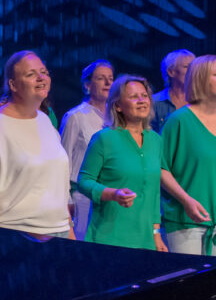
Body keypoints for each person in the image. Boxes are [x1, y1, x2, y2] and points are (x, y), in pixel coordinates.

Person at [77, 74, 195, 251]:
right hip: (109, 238)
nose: (141, 101)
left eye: (144, 95)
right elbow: (83, 182)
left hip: (145, 240)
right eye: (133, 97)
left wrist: (156, 234)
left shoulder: (155, 140)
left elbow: (154, 192)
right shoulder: (104, 139)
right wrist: (112, 193)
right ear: (117, 106)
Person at [0, 51, 73, 239]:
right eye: (31, 74)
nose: (41, 78)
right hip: (16, 237)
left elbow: (58, 188)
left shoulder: (45, 121)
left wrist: (70, 233)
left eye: (44, 72)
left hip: (59, 235)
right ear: (13, 85)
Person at [161, 55, 216, 255]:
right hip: (186, 222)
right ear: (200, 79)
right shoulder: (179, 121)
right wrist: (186, 200)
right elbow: (160, 168)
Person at [59, 60, 114, 239]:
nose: (108, 83)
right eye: (101, 78)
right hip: (82, 198)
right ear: (87, 85)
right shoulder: (76, 116)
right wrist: (66, 200)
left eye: (111, 78)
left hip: (110, 194)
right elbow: (63, 160)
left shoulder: (117, 118)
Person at [152, 49, 195, 132]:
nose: (193, 70)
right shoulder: (153, 102)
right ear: (171, 72)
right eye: (187, 67)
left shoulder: (203, 100)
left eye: (195, 67)